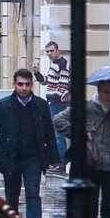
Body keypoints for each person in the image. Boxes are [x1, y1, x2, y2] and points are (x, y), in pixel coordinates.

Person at [0, 68, 57, 218]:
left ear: (32, 85)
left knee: (33, 192)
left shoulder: (40, 105)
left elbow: (48, 132)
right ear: (14, 85)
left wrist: (54, 157)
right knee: (12, 194)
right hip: (10, 156)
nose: (24, 88)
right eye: (20, 84)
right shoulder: (3, 105)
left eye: (27, 84)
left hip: (34, 157)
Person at [54, 79, 110, 218]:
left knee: (109, 212)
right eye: (107, 92)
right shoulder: (85, 108)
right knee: (90, 211)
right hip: (89, 166)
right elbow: (58, 120)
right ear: (99, 91)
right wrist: (79, 133)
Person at [34, 41, 71, 172]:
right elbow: (46, 82)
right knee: (55, 132)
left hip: (56, 102)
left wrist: (58, 95)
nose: (49, 54)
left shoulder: (62, 64)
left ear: (58, 51)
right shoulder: (54, 65)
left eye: (51, 51)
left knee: (57, 133)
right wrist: (37, 74)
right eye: (47, 51)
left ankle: (60, 162)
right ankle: (59, 160)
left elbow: (64, 83)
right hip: (52, 102)